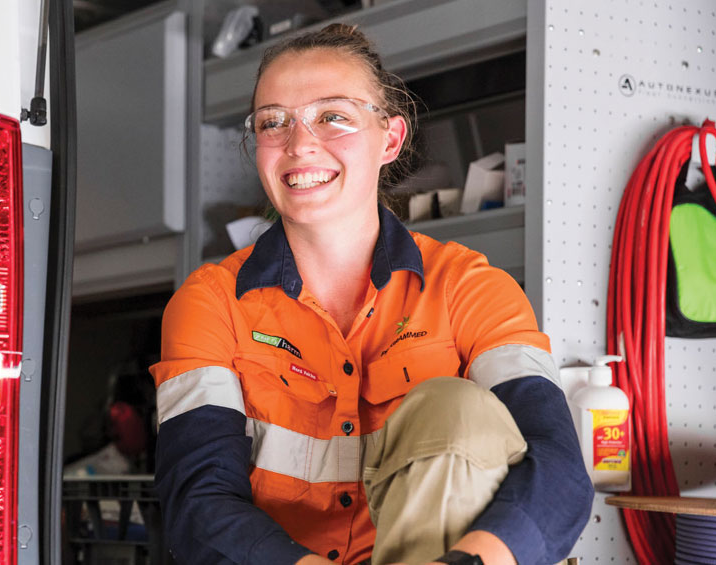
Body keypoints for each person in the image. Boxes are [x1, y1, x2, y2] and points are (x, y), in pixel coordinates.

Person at [149, 23, 593, 565]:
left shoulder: (471, 288)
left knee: (453, 407)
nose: (299, 143)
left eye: (333, 116)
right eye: (273, 122)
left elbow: (560, 472)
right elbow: (199, 502)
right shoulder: (210, 302)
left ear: (390, 138)